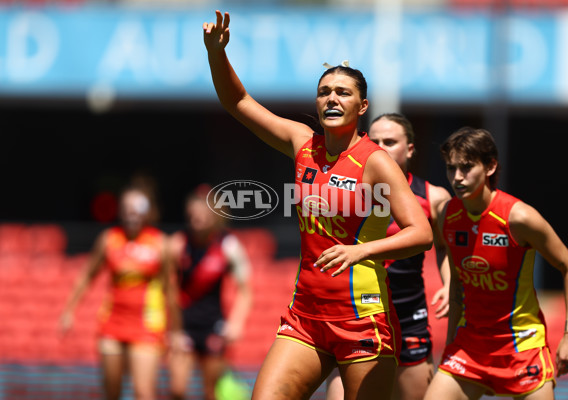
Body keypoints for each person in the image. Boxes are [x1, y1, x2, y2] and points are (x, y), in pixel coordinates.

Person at [203, 10, 433, 400]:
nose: (332, 98)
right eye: (325, 91)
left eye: (343, 92)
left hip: (363, 318)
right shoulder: (301, 142)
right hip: (305, 315)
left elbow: (422, 233)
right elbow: (237, 101)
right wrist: (216, 54)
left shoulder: (375, 161)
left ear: (362, 107)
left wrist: (361, 250)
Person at [424, 127, 568, 400]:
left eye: (466, 167)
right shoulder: (446, 214)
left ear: (490, 166)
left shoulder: (519, 218)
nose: (457, 177)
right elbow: (454, 280)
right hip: (469, 348)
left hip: (522, 347)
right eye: (451, 168)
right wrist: (450, 345)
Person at [326, 113, 452, 400]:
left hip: (408, 315)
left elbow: (445, 246)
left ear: (409, 148)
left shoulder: (434, 197)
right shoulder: (348, 190)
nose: (381, 147)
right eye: (375, 140)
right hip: (356, 315)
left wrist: (448, 284)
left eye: (390, 141)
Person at [60, 187, 179, 400]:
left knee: (144, 392)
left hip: (147, 324)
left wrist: (175, 330)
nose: (131, 214)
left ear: (147, 212)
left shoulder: (161, 243)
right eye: (127, 209)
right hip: (112, 322)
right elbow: (87, 276)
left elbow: (170, 290)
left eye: (136, 209)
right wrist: (69, 310)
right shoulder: (109, 239)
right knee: (112, 391)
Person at [168, 185, 252, 400]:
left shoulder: (228, 246)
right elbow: (166, 289)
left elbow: (245, 290)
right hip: (183, 325)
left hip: (212, 325)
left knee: (210, 392)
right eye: (194, 215)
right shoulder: (177, 244)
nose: (198, 220)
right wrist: (173, 329)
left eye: (203, 215)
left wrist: (236, 323)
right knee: (177, 390)